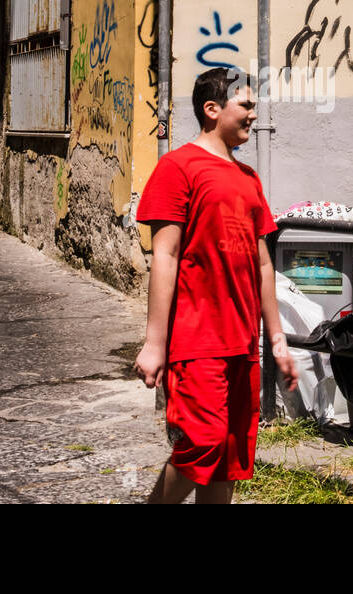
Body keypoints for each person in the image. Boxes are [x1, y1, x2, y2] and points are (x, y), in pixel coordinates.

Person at [135, 67, 298, 504]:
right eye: (245, 105)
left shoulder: (248, 179)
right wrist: (154, 344)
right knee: (200, 444)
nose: (253, 116)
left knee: (229, 455)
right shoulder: (177, 168)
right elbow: (164, 256)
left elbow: (262, 262)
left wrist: (277, 341)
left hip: (243, 343)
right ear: (212, 109)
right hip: (197, 338)